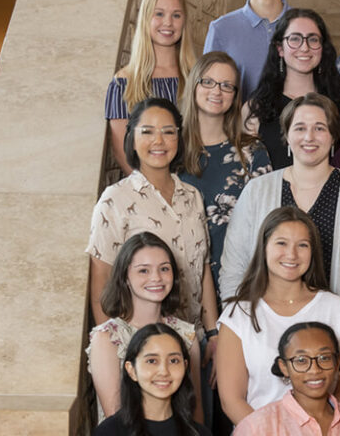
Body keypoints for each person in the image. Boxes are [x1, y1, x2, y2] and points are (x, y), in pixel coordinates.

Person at [219, 94, 340, 355]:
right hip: (263, 337)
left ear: (333, 137)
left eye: (320, 128)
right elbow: (234, 267)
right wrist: (233, 333)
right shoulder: (257, 191)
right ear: (287, 136)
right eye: (300, 128)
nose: (309, 137)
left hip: (338, 338)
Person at [87, 98, 219, 373]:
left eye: (168, 131)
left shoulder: (192, 196)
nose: (158, 140)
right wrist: (116, 349)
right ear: (132, 139)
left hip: (193, 342)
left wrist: (213, 333)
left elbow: (202, 268)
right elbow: (101, 279)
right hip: (141, 348)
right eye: (147, 131)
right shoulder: (115, 200)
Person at [216, 207, 340, 425]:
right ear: (264, 247)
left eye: (302, 245)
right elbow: (231, 400)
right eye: (281, 243)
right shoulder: (239, 315)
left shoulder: (336, 309)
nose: (291, 254)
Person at [179, 51, 272, 301]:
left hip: (239, 284)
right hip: (177, 283)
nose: (216, 91)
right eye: (208, 82)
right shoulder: (170, 149)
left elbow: (269, 224)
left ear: (235, 94)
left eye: (226, 85)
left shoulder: (253, 152)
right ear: (194, 84)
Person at [86, 232, 202, 423]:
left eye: (164, 269)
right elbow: (116, 415)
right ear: (125, 277)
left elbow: (195, 413)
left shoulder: (186, 335)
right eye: (144, 271)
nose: (156, 278)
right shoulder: (108, 338)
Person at [243, 8, 340, 169]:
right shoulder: (255, 108)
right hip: (272, 193)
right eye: (295, 39)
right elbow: (247, 171)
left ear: (323, 47)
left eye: (313, 39)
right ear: (280, 48)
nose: (304, 48)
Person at [105, 0, 196, 175]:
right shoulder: (124, 83)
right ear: (146, 18)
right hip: (144, 192)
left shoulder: (197, 78)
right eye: (159, 14)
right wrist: (155, 191)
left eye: (176, 15)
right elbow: (122, 151)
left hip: (195, 186)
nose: (168, 23)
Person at [233, 322, 340, 435]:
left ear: (336, 363)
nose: (314, 369)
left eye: (324, 358)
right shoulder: (256, 427)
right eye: (301, 360)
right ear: (284, 367)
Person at [93, 323, 211, 436]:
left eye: (173, 361)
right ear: (131, 370)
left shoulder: (199, 433)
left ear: (185, 367)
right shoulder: (108, 432)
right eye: (152, 361)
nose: (164, 371)